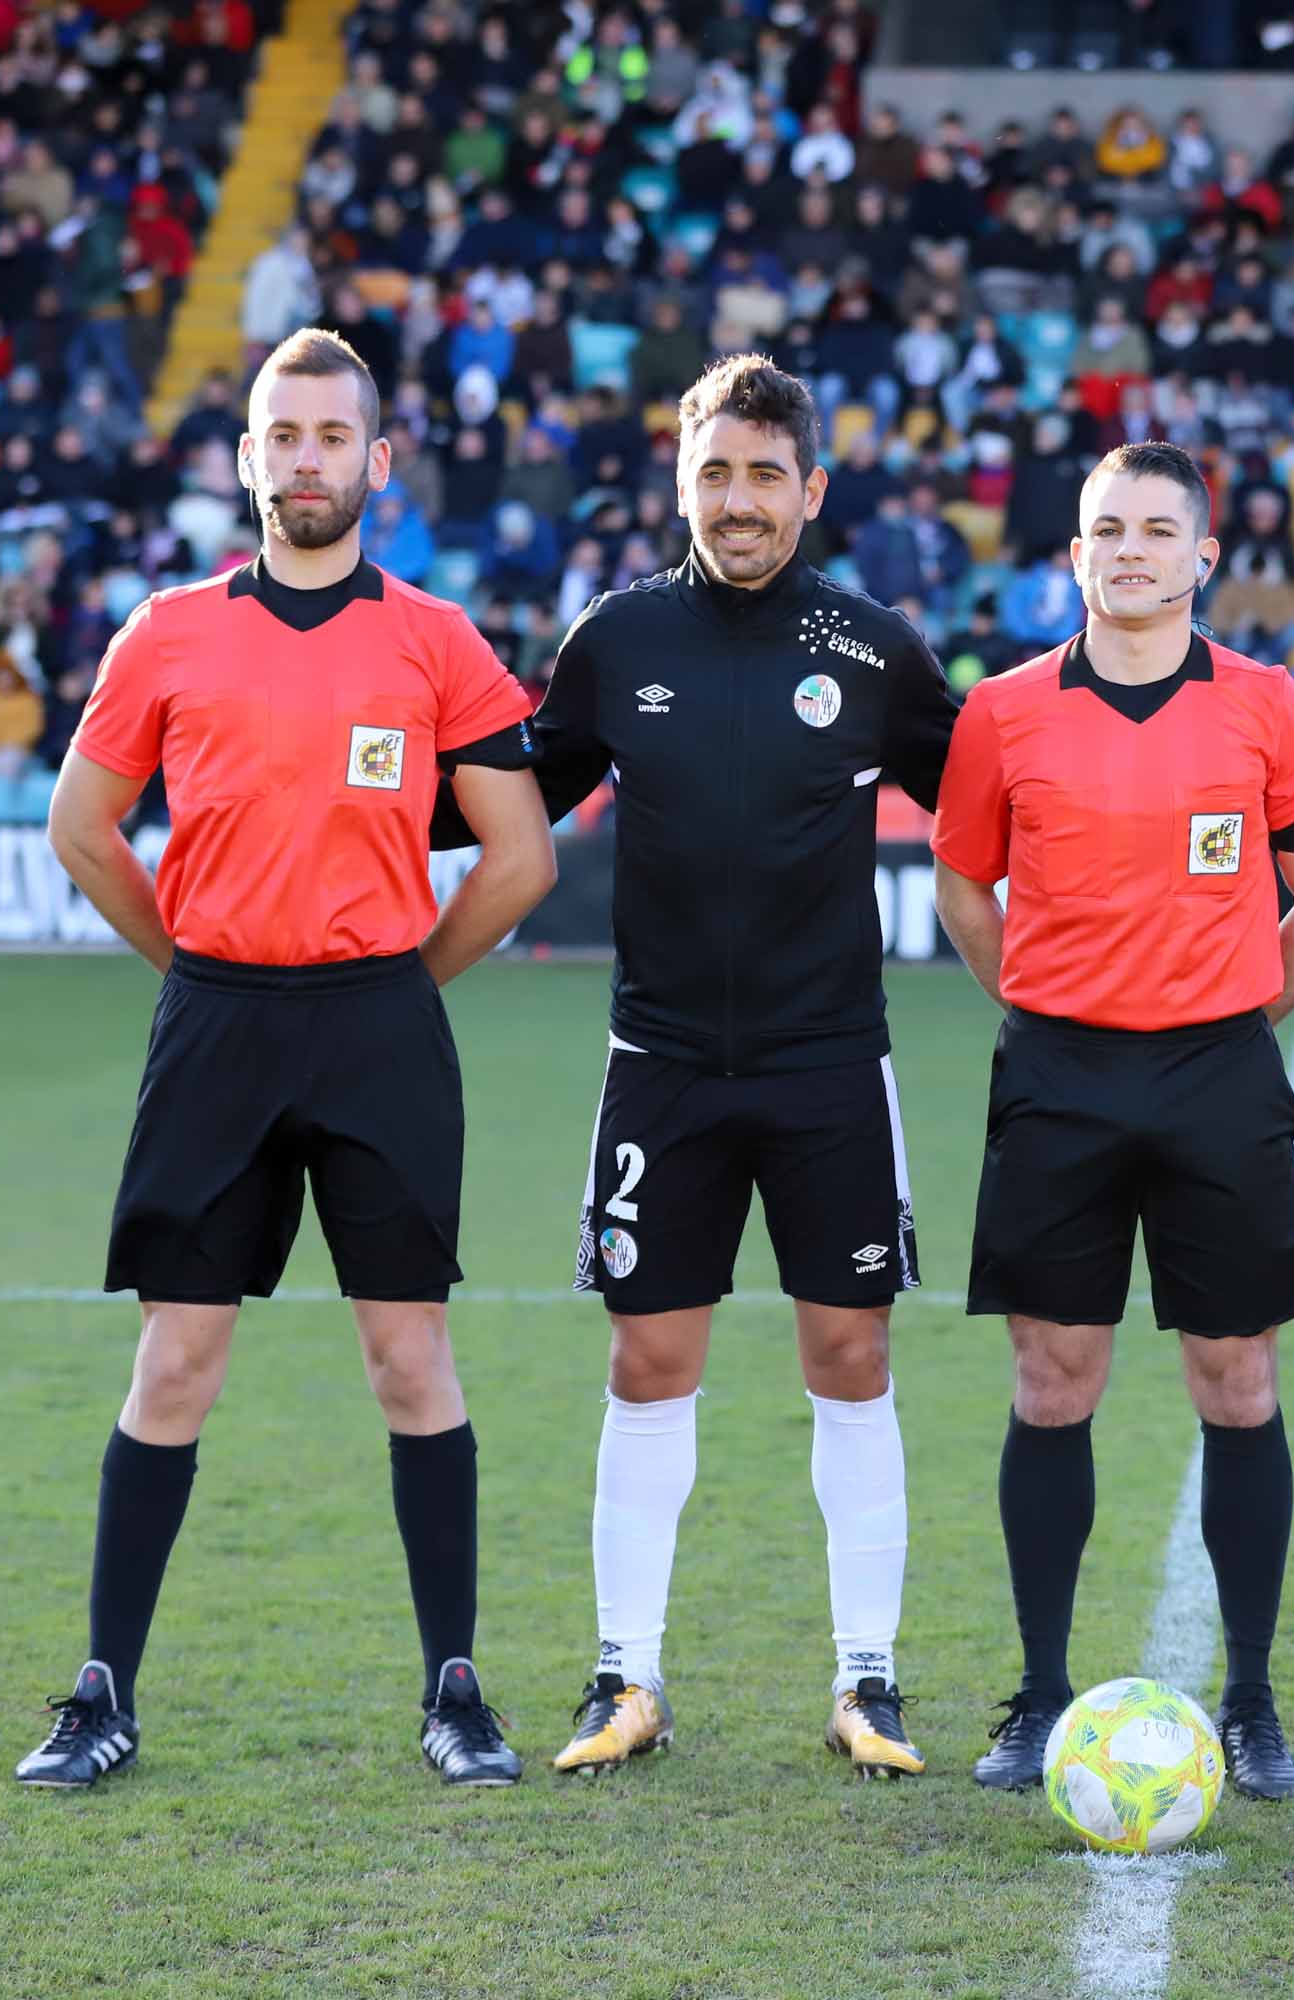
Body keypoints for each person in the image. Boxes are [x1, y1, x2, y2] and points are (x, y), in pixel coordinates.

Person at [14, 328, 557, 1792]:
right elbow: (83, 826)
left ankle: (456, 1690)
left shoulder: (434, 640)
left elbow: (518, 859)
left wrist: (401, 982)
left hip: (377, 1022)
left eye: (334, 437)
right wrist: (193, 963)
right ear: (247, 457)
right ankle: (101, 1693)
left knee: (407, 1353)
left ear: (377, 463)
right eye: (282, 435)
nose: (306, 460)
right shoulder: (171, 631)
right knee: (176, 1358)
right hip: (218, 1026)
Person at [439, 354, 961, 1780]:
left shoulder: (874, 651)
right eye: (714, 474)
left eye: (763, 475)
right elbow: (506, 797)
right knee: (647, 1356)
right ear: (684, 482)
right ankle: (627, 1679)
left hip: (828, 1067)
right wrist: (343, 790)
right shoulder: (615, 641)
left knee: (848, 1353)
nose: (737, 502)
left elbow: (993, 795)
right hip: (659, 1063)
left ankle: (868, 1680)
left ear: (812, 488)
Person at [929, 440, 1294, 1801]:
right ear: (1072, 554)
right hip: (1057, 1078)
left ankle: (1250, 1701)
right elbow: (961, 888)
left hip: (1216, 1081)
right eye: (1105, 528)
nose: (1129, 548)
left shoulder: (1270, 709)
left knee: (1236, 1381)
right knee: (1053, 1383)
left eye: (1156, 529)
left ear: (1201, 559)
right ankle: (1040, 1694)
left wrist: (1228, 1014)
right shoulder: (999, 714)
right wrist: (1047, 1006)